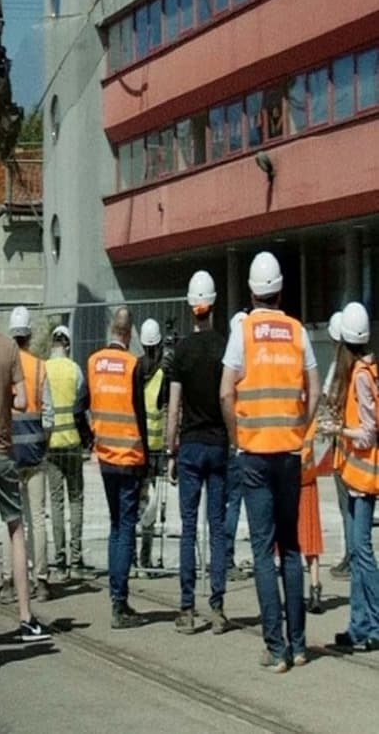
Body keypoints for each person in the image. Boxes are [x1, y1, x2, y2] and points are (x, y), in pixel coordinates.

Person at [220, 251, 320, 672]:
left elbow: (226, 392)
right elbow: (314, 388)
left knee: (263, 551)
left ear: (251, 291)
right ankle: (299, 646)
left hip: (255, 454)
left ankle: (276, 650)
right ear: (280, 289)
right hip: (289, 453)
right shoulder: (297, 331)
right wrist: (300, 427)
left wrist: (237, 437)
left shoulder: (243, 331)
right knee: (291, 549)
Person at [0, 300, 51, 643]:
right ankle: (24, 616)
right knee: (16, 531)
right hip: (5, 451)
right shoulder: (8, 349)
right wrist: (3, 394)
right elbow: (21, 401)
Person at [167, 272, 229, 634]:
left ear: (192, 307)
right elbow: (227, 397)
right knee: (217, 528)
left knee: (189, 527)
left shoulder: (181, 353)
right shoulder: (224, 347)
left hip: (189, 446)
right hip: (218, 444)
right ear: (213, 305)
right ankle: (218, 607)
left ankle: (187, 608)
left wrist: (171, 450)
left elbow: (173, 407)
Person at [322, 302, 379, 651]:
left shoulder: (360, 375)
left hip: (363, 478)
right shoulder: (364, 371)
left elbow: (370, 432)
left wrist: (340, 430)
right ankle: (359, 625)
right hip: (358, 477)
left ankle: (371, 624)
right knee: (359, 553)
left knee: (363, 552)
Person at [87, 306, 147, 628]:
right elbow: (138, 413)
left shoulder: (94, 362)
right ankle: (120, 603)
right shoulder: (133, 365)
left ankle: (115, 594)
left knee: (114, 526)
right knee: (125, 527)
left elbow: (78, 405)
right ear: (129, 332)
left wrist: (90, 438)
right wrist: (148, 458)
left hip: (106, 457)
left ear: (112, 329)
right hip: (130, 458)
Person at [9, 305, 54, 602]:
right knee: (38, 518)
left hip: (10, 455)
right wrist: (44, 443)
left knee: (12, 519)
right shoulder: (39, 367)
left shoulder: (4, 366)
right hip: (36, 454)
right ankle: (41, 580)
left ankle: (10, 578)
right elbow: (49, 416)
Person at [46, 324, 90, 581]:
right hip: (72, 443)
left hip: (51, 445)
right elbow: (82, 406)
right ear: (68, 345)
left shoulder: (45, 369)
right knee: (76, 500)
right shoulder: (75, 370)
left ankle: (60, 561)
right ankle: (76, 558)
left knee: (56, 502)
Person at [138, 318, 167, 571]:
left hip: (137, 447)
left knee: (136, 503)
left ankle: (133, 559)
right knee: (152, 506)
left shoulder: (136, 369)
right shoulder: (161, 374)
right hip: (155, 449)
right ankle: (145, 559)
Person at [323, 311, 350, 580]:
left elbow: (330, 403)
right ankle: (352, 554)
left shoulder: (342, 370)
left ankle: (352, 556)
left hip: (343, 444)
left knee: (348, 507)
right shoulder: (351, 367)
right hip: (346, 442)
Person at [224, 311, 251, 581]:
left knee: (221, 503)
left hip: (225, 441)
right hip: (242, 443)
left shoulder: (229, 362)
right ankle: (227, 558)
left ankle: (221, 556)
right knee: (235, 502)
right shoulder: (248, 364)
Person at [299, 415, 324, 615]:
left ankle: (292, 592)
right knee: (310, 539)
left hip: (288, 480)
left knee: (286, 540)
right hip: (307, 479)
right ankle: (315, 588)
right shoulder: (310, 416)